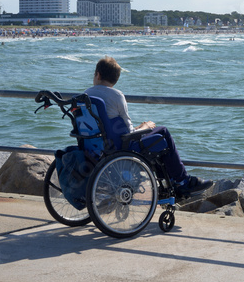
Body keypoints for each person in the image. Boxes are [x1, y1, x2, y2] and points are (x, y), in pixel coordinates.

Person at [85, 56, 213, 198]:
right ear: (115, 79)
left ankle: (171, 182)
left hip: (96, 146)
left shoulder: (86, 95)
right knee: (162, 133)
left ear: (98, 74)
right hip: (119, 148)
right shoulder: (116, 96)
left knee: (153, 136)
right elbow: (129, 132)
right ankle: (182, 181)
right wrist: (145, 126)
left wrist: (140, 127)